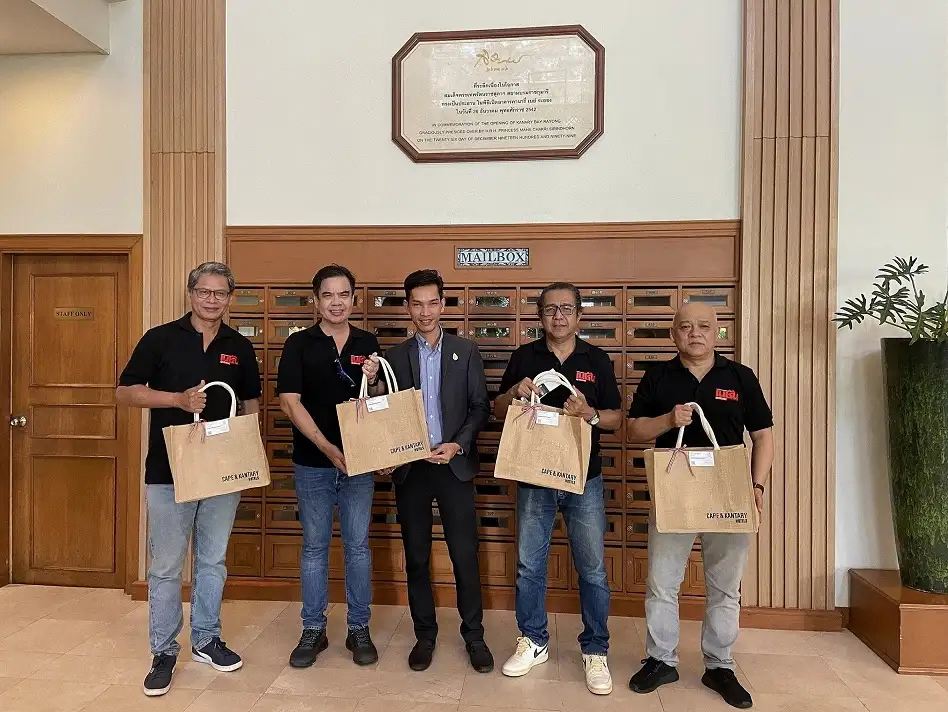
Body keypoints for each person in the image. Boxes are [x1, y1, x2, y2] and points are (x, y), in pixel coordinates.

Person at [116, 261, 262, 697]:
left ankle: (206, 639)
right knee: (165, 567)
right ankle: (163, 651)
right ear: (191, 293)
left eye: (220, 293)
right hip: (168, 472)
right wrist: (177, 400)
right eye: (204, 292)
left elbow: (251, 402)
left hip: (222, 472)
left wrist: (247, 451)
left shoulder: (239, 345)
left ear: (229, 297)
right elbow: (125, 391)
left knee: (212, 560)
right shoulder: (160, 338)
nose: (212, 300)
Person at [626, 301, 774, 709]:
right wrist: (668, 421)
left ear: (717, 332)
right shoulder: (658, 376)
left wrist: (757, 486)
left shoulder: (740, 377)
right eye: (686, 326)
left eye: (704, 326)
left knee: (725, 586)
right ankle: (661, 660)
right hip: (675, 491)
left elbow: (763, 436)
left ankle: (719, 665)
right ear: (673, 333)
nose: (695, 333)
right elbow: (635, 429)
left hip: (728, 493)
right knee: (662, 582)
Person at [493, 282, 624, 696]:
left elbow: (617, 417)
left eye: (566, 309)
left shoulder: (596, 359)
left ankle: (595, 649)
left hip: (585, 478)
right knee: (529, 564)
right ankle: (533, 640)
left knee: (593, 568)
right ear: (540, 316)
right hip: (536, 477)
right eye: (550, 309)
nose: (559, 316)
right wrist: (514, 392)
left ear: (579, 316)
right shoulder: (524, 357)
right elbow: (497, 410)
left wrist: (590, 414)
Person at [277, 264, 387, 668]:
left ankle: (359, 628)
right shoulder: (299, 344)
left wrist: (373, 378)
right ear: (316, 300)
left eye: (343, 295)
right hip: (313, 464)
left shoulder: (367, 341)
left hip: (359, 463)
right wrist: (327, 448)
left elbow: (378, 399)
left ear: (354, 299)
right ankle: (313, 629)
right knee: (314, 547)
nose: (336, 302)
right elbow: (289, 402)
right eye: (328, 295)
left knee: (357, 547)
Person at [384, 269, 493, 673]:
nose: (425, 311)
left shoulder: (466, 351)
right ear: (407, 307)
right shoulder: (394, 357)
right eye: (417, 304)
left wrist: (458, 443)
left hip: (454, 467)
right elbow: (385, 413)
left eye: (433, 303)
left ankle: (474, 635)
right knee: (416, 556)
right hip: (412, 470)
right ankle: (425, 635)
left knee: (464, 554)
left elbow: (480, 407)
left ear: (443, 305)